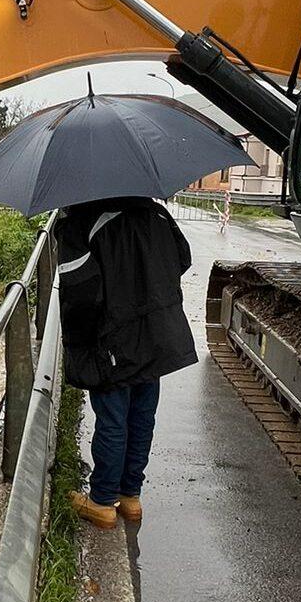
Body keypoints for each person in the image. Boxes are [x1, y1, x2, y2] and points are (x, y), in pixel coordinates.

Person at [57, 196, 196, 529]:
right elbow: (183, 259)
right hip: (157, 333)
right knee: (142, 415)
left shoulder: (82, 220)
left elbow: (79, 297)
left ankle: (103, 502)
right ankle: (131, 497)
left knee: (113, 419)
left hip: (113, 338)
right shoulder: (156, 212)